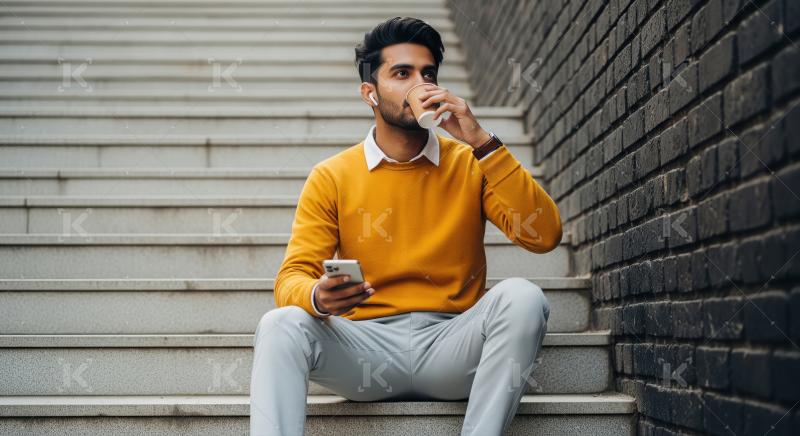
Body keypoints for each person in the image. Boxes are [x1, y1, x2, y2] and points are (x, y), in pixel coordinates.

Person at [251, 16, 563, 436]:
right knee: (279, 324)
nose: (423, 85)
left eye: (428, 73)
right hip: (365, 352)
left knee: (524, 297)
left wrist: (482, 142)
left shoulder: (471, 161)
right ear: (370, 93)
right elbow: (291, 278)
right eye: (402, 73)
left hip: (452, 347)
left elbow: (545, 236)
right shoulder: (333, 175)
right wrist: (318, 297)